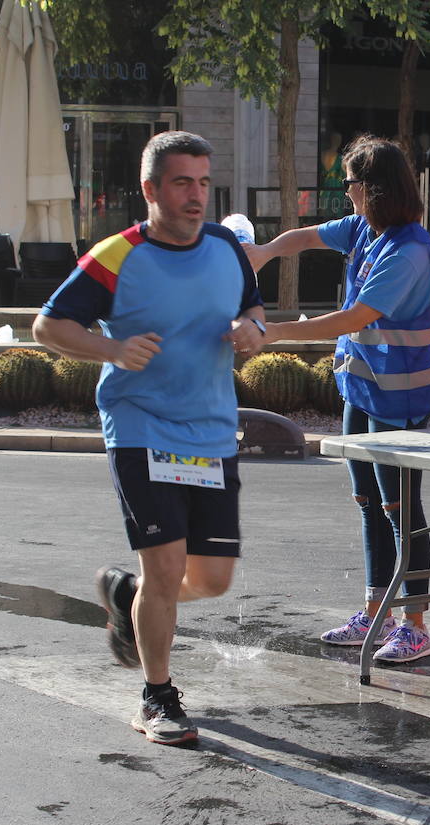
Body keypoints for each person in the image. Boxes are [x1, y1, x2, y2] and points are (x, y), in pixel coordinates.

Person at [33, 131, 266, 746]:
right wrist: (111, 348)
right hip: (142, 426)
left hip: (212, 429)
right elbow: (48, 325)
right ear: (151, 189)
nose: (195, 197)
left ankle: (130, 597)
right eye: (182, 183)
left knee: (212, 579)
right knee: (165, 568)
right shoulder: (116, 255)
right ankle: (157, 696)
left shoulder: (227, 249)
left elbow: (255, 310)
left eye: (203, 183)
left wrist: (252, 330)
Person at [245, 135, 430, 664]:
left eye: (352, 183)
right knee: (369, 505)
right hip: (361, 389)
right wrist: (265, 251)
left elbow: (357, 318)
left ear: (372, 189)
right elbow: (306, 236)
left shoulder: (409, 252)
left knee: (402, 509)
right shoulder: (364, 229)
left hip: (399, 400)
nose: (347, 191)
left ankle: (415, 624)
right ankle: (376, 611)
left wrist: (277, 332)